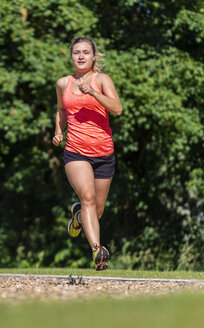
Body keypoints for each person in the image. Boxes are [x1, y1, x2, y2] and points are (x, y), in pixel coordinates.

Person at [52, 37, 123, 271]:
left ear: (93, 57)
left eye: (85, 52)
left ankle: (78, 216)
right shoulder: (63, 83)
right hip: (76, 151)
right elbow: (61, 109)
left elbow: (117, 108)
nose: (81, 56)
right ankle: (97, 252)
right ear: (71, 56)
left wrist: (93, 92)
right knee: (88, 199)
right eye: (76, 52)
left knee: (97, 210)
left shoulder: (101, 80)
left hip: (104, 152)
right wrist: (58, 131)